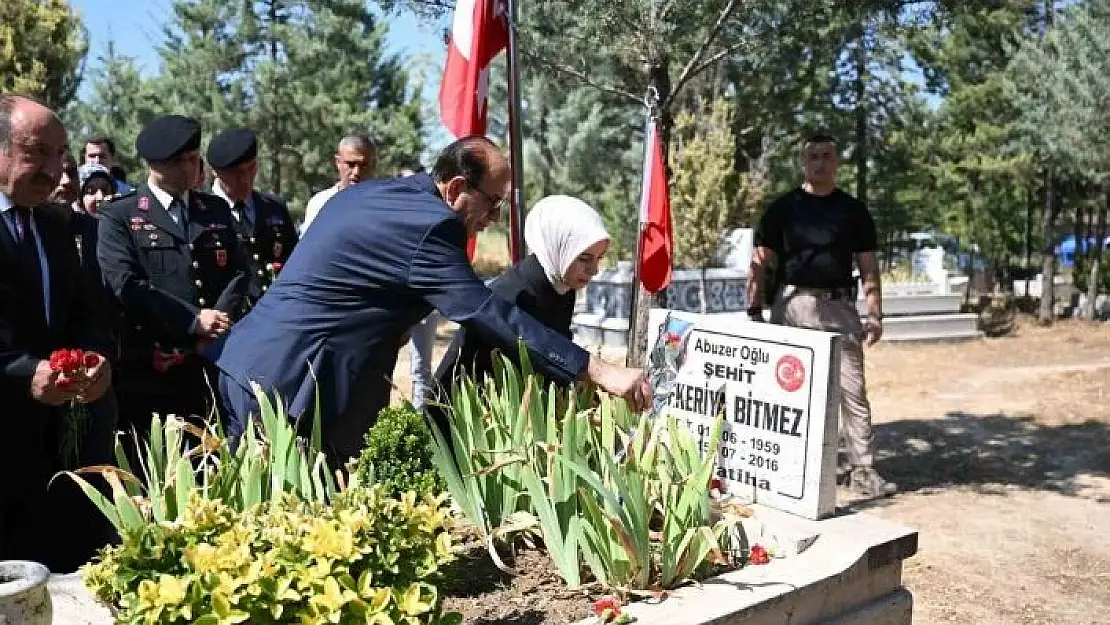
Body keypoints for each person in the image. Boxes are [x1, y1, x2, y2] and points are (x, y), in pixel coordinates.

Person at [214, 136, 652, 467]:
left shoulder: (377, 194)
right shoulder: (433, 226)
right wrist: (598, 370)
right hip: (292, 386)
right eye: (493, 201)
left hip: (254, 364)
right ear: (458, 185)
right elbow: (486, 311)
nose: (496, 216)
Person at [746, 132, 896, 498]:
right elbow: (759, 262)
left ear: (837, 161)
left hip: (840, 308)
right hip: (794, 305)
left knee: (852, 390)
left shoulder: (853, 211)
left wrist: (874, 314)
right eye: (813, 156)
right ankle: (787, 466)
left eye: (827, 155)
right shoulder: (782, 208)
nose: (820, 163)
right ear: (803, 162)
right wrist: (754, 309)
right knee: (787, 389)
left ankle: (863, 469)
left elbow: (869, 268)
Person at [0, 94, 114, 570]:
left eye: (60, 153)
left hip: (57, 458)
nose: (54, 169)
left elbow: (89, 313)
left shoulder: (59, 226)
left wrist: (96, 360)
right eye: (36, 152)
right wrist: (24, 373)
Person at [97, 114, 250, 453]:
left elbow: (239, 271)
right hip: (151, 372)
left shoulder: (213, 210)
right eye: (185, 161)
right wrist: (192, 323)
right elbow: (127, 285)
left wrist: (216, 323)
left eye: (195, 158)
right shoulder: (120, 216)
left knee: (215, 465)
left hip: (212, 364)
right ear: (159, 165)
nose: (193, 168)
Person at [435, 194, 609, 398]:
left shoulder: (561, 285)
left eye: (599, 258)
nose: (594, 270)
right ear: (557, 248)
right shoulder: (515, 295)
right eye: (584, 258)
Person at [207, 128, 299, 308]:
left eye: (250, 169)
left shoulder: (274, 207)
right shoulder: (203, 213)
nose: (245, 180)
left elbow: (293, 262)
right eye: (235, 173)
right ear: (216, 172)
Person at [300, 134, 377, 233]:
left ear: (373, 165)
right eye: (351, 164)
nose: (356, 172)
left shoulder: (384, 206)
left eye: (364, 165)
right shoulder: (320, 204)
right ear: (338, 162)